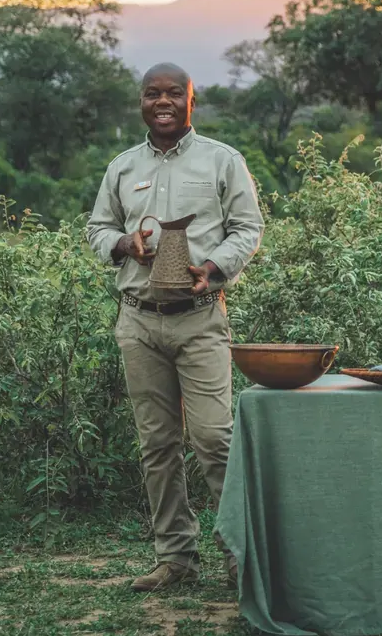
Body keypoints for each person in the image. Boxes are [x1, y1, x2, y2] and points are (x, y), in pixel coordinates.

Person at [88, 64, 264, 593]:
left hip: (200, 317)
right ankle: (176, 558)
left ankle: (242, 556)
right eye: (152, 94)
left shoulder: (222, 160)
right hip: (138, 320)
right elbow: (98, 228)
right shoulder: (122, 167)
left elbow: (248, 228)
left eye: (173, 94)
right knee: (157, 444)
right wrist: (123, 244)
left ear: (192, 100)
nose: (162, 102)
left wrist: (213, 268)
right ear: (141, 102)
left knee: (214, 438)